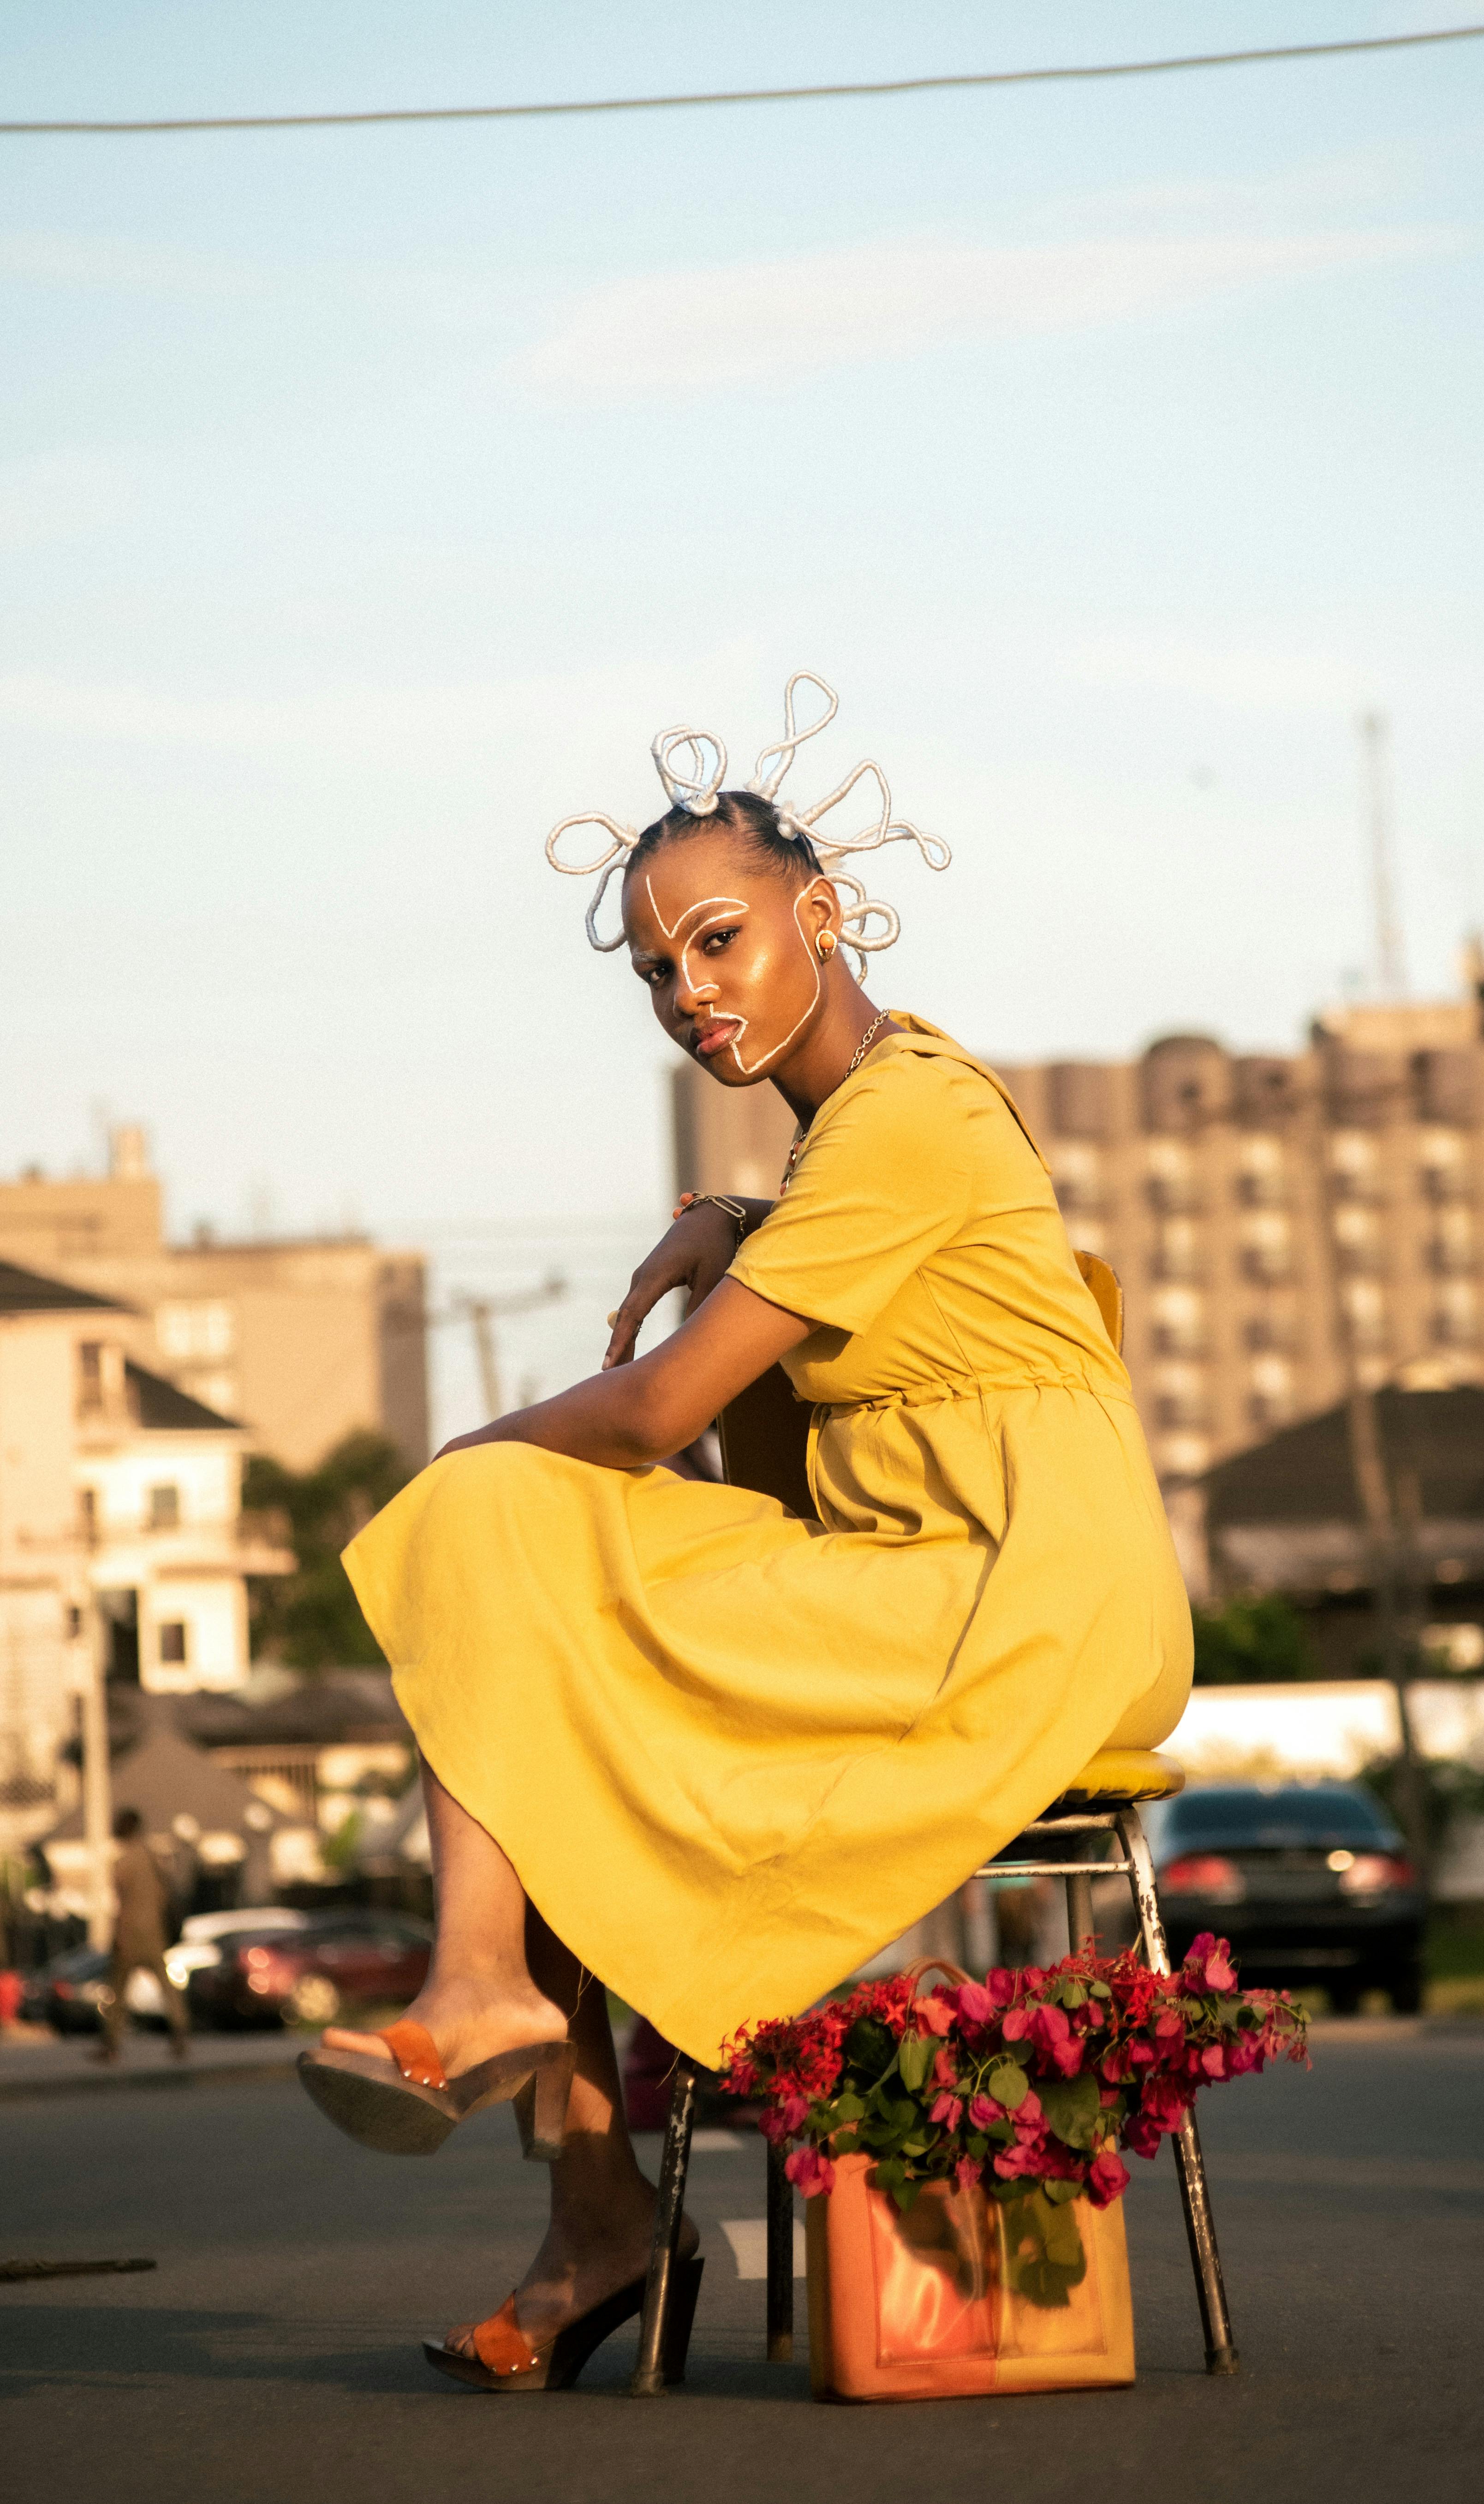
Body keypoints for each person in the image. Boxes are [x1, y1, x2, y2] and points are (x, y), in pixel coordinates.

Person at [296, 672, 1192, 2390]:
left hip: (1018, 1598)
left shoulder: (903, 1117)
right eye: (654, 970)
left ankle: (484, 1993)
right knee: (533, 1668)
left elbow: (646, 1414)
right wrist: (733, 1210)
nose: (687, 992)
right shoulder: (850, 1144)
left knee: (487, 1517)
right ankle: (591, 2215)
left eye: (715, 941)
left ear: (821, 914)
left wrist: (459, 1467)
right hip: (921, 1573)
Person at [95, 1806, 187, 2062]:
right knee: (167, 1987)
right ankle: (180, 2034)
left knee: (119, 1989)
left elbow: (121, 1904)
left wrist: (118, 1935)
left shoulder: (124, 1862)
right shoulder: (153, 1858)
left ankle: (111, 2045)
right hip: (154, 1932)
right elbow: (163, 1896)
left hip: (132, 1933)